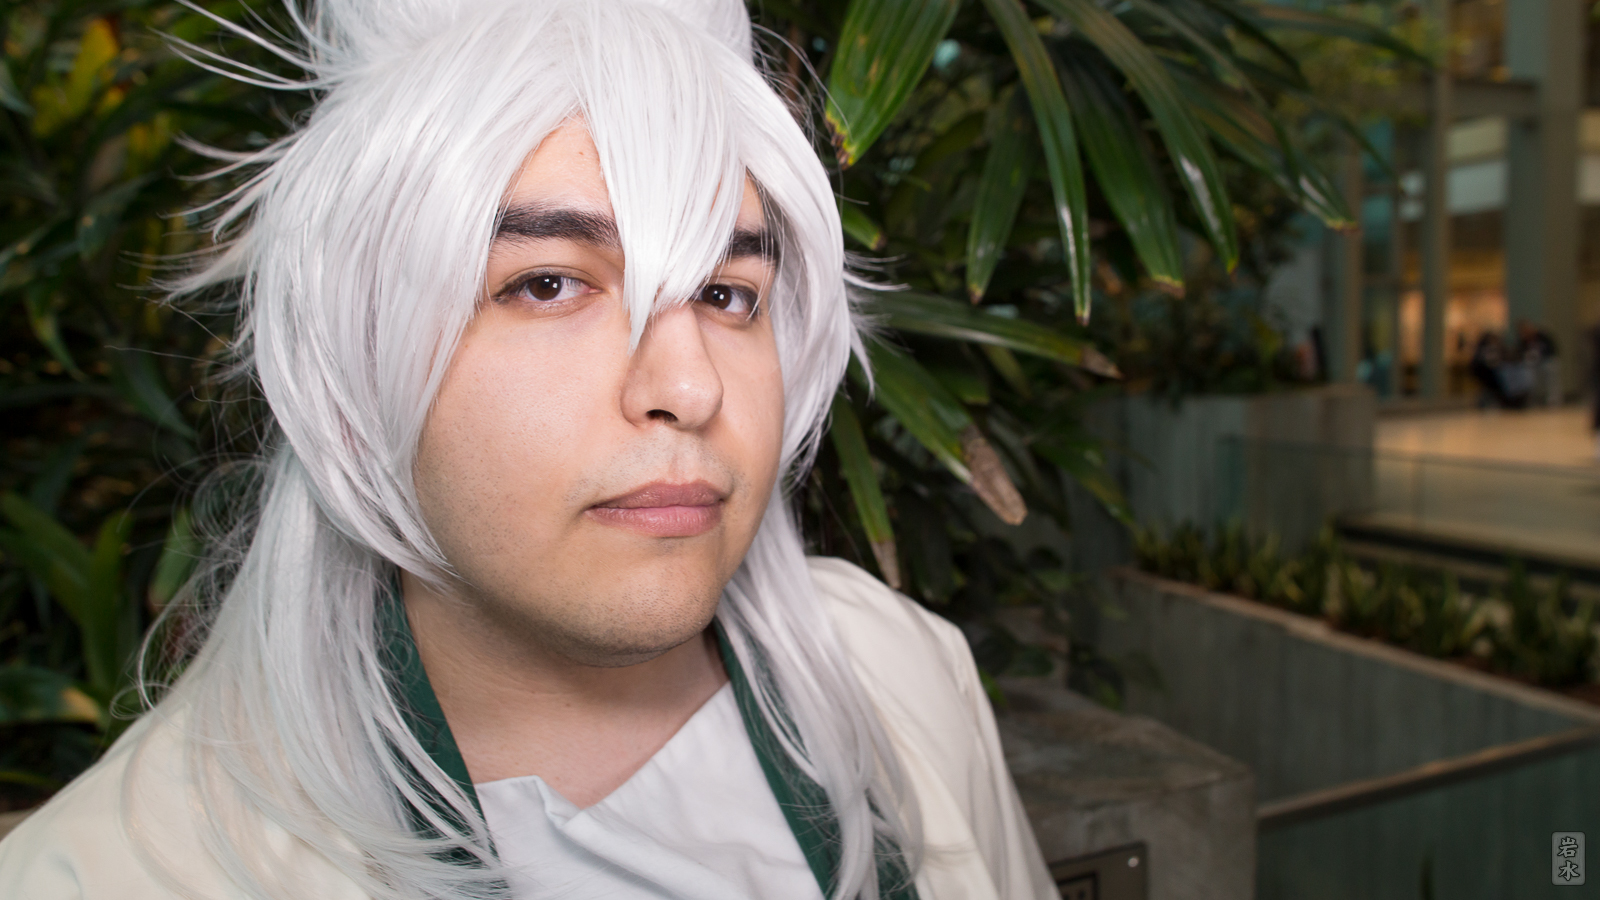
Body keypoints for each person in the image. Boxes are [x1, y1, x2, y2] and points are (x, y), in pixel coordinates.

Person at [0, 1, 1056, 898]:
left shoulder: (896, 670)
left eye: (728, 294)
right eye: (547, 283)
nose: (690, 386)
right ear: (354, 362)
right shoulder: (117, 871)